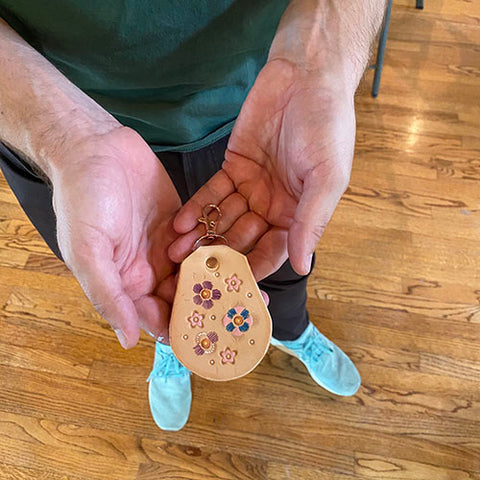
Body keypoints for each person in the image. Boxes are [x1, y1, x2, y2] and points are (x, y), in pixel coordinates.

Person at [0, 0, 385, 430]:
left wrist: (323, 54)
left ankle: (291, 330)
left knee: (284, 255)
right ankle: (173, 343)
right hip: (54, 126)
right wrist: (57, 131)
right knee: (148, 277)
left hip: (262, 108)